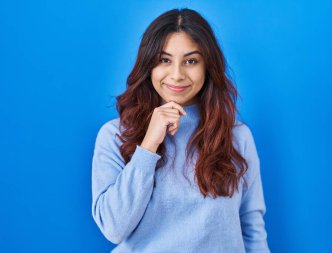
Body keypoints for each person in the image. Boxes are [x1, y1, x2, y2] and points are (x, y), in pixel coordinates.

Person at [91, 8, 270, 253]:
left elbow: (252, 227)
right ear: (148, 66)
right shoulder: (114, 135)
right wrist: (148, 146)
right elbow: (113, 228)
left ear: (208, 67)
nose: (177, 75)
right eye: (164, 60)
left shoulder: (236, 136)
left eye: (191, 61)